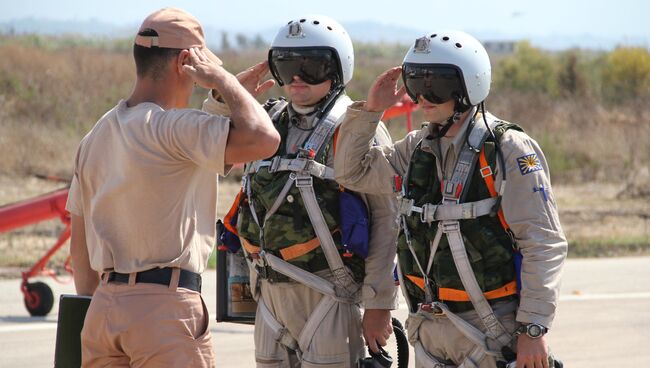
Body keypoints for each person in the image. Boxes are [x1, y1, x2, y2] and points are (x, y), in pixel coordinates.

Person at [333, 30, 567, 368]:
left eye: (437, 87)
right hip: (430, 330)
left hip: (490, 329)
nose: (423, 97)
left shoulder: (506, 149)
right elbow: (351, 172)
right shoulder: (416, 149)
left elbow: (543, 242)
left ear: (468, 86)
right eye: (416, 85)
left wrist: (533, 330)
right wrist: (370, 111)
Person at [66, 7, 279, 367]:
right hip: (164, 311)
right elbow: (264, 138)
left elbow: (81, 253)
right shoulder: (173, 128)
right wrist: (224, 81)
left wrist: (106, 303)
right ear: (186, 62)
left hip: (103, 311)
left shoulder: (97, 135)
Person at [205, 15, 399, 367]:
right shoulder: (265, 122)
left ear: (337, 70)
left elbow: (387, 221)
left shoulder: (355, 128)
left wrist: (378, 304)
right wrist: (226, 97)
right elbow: (209, 149)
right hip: (267, 293)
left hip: (328, 292)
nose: (296, 78)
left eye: (311, 67)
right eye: (288, 65)